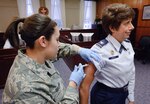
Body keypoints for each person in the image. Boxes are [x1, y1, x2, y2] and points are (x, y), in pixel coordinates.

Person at [2, 14, 101, 104]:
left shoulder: (34, 54)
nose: (59, 44)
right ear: (43, 41)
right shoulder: (28, 89)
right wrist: (73, 84)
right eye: (57, 40)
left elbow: (58, 48)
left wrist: (78, 49)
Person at [79, 3, 135, 104]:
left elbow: (131, 71)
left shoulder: (127, 43)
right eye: (127, 23)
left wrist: (131, 97)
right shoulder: (99, 50)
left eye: (131, 22)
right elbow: (84, 86)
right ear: (112, 28)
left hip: (123, 93)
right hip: (106, 96)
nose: (132, 27)